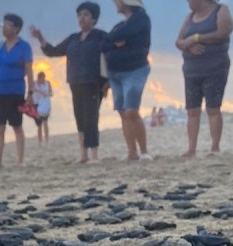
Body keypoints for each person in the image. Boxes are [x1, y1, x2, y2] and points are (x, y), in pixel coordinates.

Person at [31, 2, 107, 163]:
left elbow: (110, 57)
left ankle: (94, 155)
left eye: (86, 14)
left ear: (94, 18)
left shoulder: (100, 36)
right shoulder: (73, 38)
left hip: (93, 83)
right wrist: (40, 38)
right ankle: (83, 154)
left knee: (91, 118)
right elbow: (53, 51)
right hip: (75, 82)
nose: (82, 18)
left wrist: (107, 82)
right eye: (79, 15)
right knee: (79, 117)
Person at [176, 0, 233, 158]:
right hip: (191, 70)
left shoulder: (221, 10)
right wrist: (188, 45)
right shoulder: (190, 17)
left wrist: (196, 38)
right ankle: (191, 149)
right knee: (192, 110)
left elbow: (223, 33)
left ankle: (215, 148)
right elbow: (179, 41)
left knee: (213, 108)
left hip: (215, 68)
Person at [101, 0, 152, 161]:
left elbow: (115, 37)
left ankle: (144, 151)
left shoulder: (141, 18)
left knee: (131, 110)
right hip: (116, 73)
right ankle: (132, 152)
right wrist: (116, 44)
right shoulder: (120, 25)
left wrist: (115, 41)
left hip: (134, 70)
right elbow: (104, 44)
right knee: (123, 112)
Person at [0, 14, 34, 168]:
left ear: (15, 28)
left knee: (16, 125)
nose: (4, 27)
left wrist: (31, 92)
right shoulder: (0, 45)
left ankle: (20, 160)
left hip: (15, 91)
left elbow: (29, 70)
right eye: (3, 24)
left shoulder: (24, 46)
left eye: (7, 25)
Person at [32, 72, 53, 144]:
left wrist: (46, 94)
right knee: (39, 124)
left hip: (46, 105)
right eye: (40, 78)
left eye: (43, 78)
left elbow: (51, 93)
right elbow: (32, 89)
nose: (42, 80)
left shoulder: (48, 83)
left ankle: (47, 140)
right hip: (37, 105)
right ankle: (40, 141)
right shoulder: (34, 84)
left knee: (45, 122)